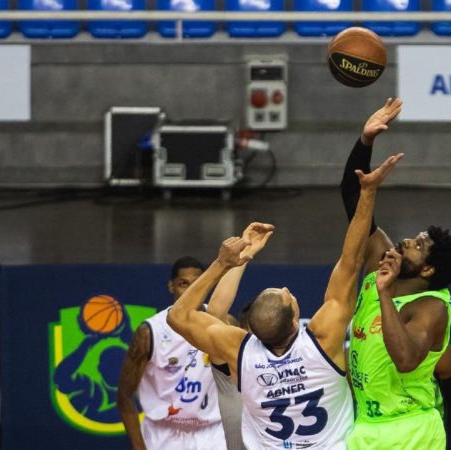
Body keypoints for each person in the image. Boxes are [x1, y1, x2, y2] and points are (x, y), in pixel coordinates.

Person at [166, 152, 403, 449]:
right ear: (295, 319)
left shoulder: (239, 352)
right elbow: (350, 261)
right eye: (286, 295)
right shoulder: (322, 341)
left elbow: (178, 316)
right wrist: (367, 194)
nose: (289, 289)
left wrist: (222, 263)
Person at [340, 98, 451, 450]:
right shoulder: (383, 260)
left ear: (427, 269)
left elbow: (408, 361)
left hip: (412, 429)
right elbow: (353, 198)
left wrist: (382, 294)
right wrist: (365, 141)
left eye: (419, 245)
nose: (408, 240)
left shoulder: (431, 305)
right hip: (367, 425)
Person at [117, 223, 273, 450]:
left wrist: (243, 254)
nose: (189, 290)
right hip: (163, 433)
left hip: (213, 433)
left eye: (196, 283)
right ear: (171, 286)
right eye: (183, 284)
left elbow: (216, 310)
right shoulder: (150, 332)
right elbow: (124, 396)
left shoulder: (222, 321)